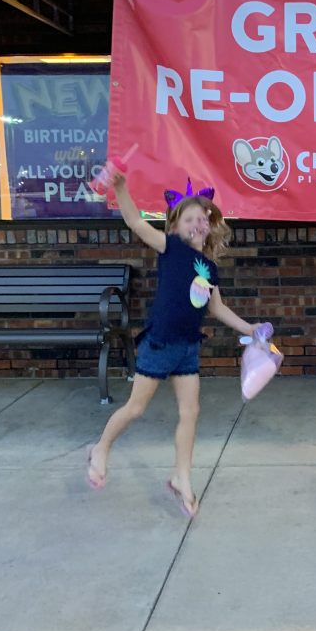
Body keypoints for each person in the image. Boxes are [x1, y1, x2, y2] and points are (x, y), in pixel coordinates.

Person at [86, 172, 262, 517]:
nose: (197, 223)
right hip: (160, 342)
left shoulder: (209, 267)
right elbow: (135, 222)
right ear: (176, 225)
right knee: (136, 409)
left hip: (187, 347)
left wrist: (250, 327)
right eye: (189, 218)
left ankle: (181, 476)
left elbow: (216, 307)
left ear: (210, 226)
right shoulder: (171, 247)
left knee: (191, 412)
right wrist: (121, 187)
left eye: (203, 218)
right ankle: (101, 448)